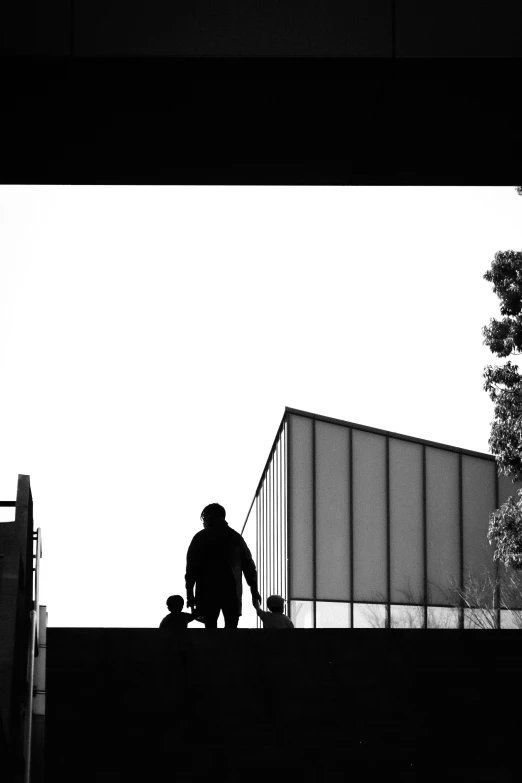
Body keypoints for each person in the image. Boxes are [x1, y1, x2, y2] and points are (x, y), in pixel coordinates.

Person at [185, 502, 261, 629]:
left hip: (207, 591)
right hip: (232, 591)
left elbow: (191, 569)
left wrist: (190, 594)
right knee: (231, 631)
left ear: (208, 517)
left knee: (210, 632)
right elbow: (249, 566)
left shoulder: (200, 537)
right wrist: (254, 590)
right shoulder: (236, 538)